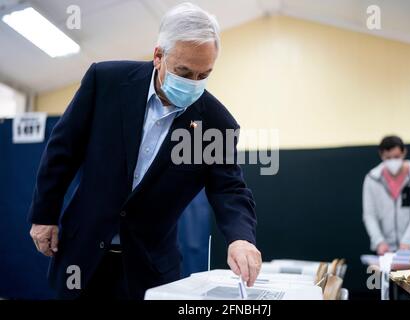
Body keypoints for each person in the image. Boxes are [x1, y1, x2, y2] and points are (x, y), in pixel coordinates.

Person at [28, 2, 261, 299]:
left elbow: (229, 189)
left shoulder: (215, 123)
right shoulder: (106, 82)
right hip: (82, 255)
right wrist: (44, 215)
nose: (193, 83)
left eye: (203, 75)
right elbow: (63, 150)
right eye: (184, 72)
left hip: (148, 269)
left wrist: (241, 238)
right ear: (158, 56)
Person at [363, 135, 410, 255]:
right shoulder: (372, 179)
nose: (392, 161)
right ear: (381, 155)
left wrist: (407, 242)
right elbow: (370, 215)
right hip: (385, 250)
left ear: (404, 152)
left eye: (396, 157)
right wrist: (379, 242)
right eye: (388, 158)